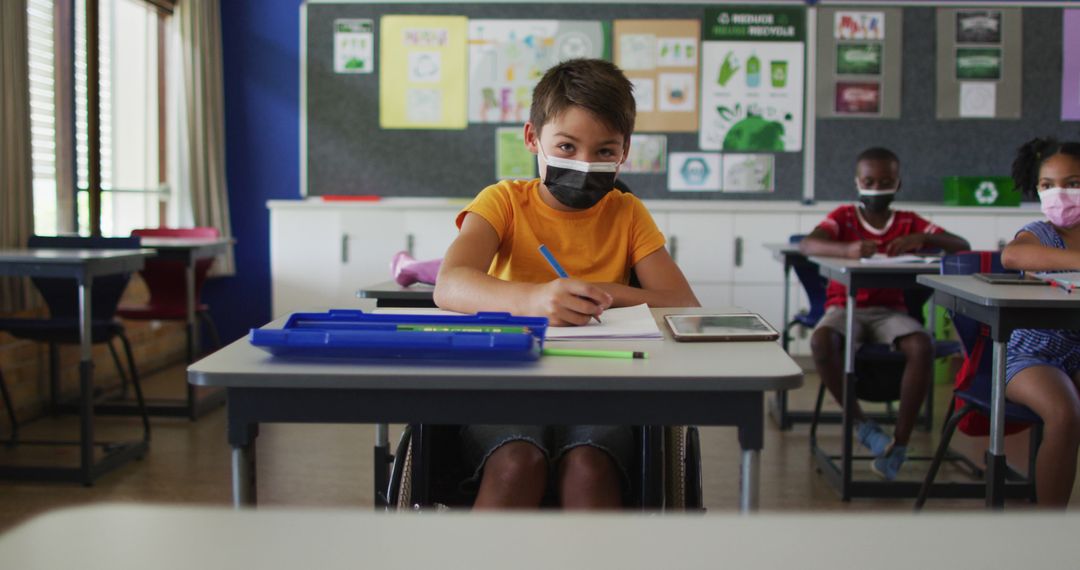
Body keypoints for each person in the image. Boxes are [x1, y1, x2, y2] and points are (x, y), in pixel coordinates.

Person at [434, 58, 698, 510]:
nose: (584, 164)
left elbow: (682, 304)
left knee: (588, 468)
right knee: (516, 462)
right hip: (508, 384)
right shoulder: (502, 202)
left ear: (624, 151)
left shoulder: (627, 213)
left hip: (600, 387)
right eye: (567, 146)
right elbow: (450, 285)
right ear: (533, 138)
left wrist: (604, 291)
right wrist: (536, 297)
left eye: (604, 152)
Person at [799, 147, 970, 480]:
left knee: (922, 344)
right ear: (857, 182)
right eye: (869, 181)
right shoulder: (845, 217)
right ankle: (862, 424)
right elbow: (808, 245)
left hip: (890, 311)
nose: (877, 188)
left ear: (898, 183)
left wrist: (922, 237)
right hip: (844, 306)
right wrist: (845, 249)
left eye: (886, 181)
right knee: (821, 341)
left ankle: (900, 444)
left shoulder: (909, 221)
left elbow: (961, 246)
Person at [1000, 137, 1080, 507]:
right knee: (1065, 415)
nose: (1060, 195)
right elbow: (1013, 256)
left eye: (1073, 184)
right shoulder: (1042, 233)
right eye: (1048, 186)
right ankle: (1050, 534)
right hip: (1033, 355)